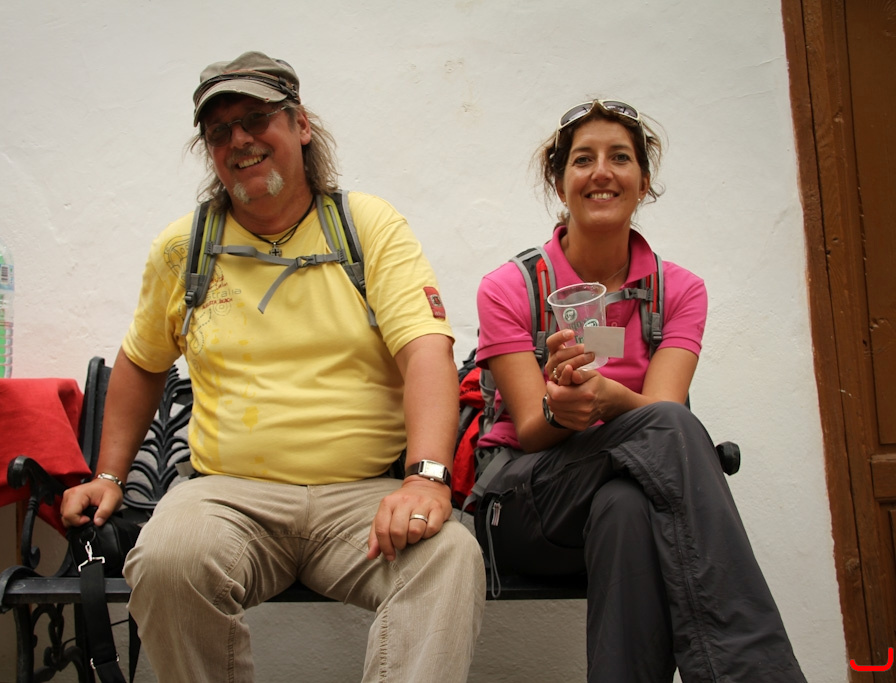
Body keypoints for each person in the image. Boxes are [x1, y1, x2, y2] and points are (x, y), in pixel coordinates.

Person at [59, 51, 484, 681]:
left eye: (257, 118)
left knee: (448, 557)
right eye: (219, 131)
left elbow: (426, 348)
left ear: (301, 125)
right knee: (167, 558)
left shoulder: (367, 227)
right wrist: (108, 474)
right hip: (227, 498)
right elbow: (143, 363)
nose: (239, 140)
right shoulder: (184, 248)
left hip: (362, 497)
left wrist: (424, 480)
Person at [473, 99, 805, 682]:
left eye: (620, 158)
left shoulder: (680, 291)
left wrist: (609, 399)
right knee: (669, 432)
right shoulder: (509, 288)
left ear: (644, 181)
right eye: (583, 159)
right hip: (525, 505)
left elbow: (660, 419)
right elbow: (530, 429)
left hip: (626, 496)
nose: (601, 172)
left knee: (626, 506)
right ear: (560, 183)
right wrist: (562, 409)